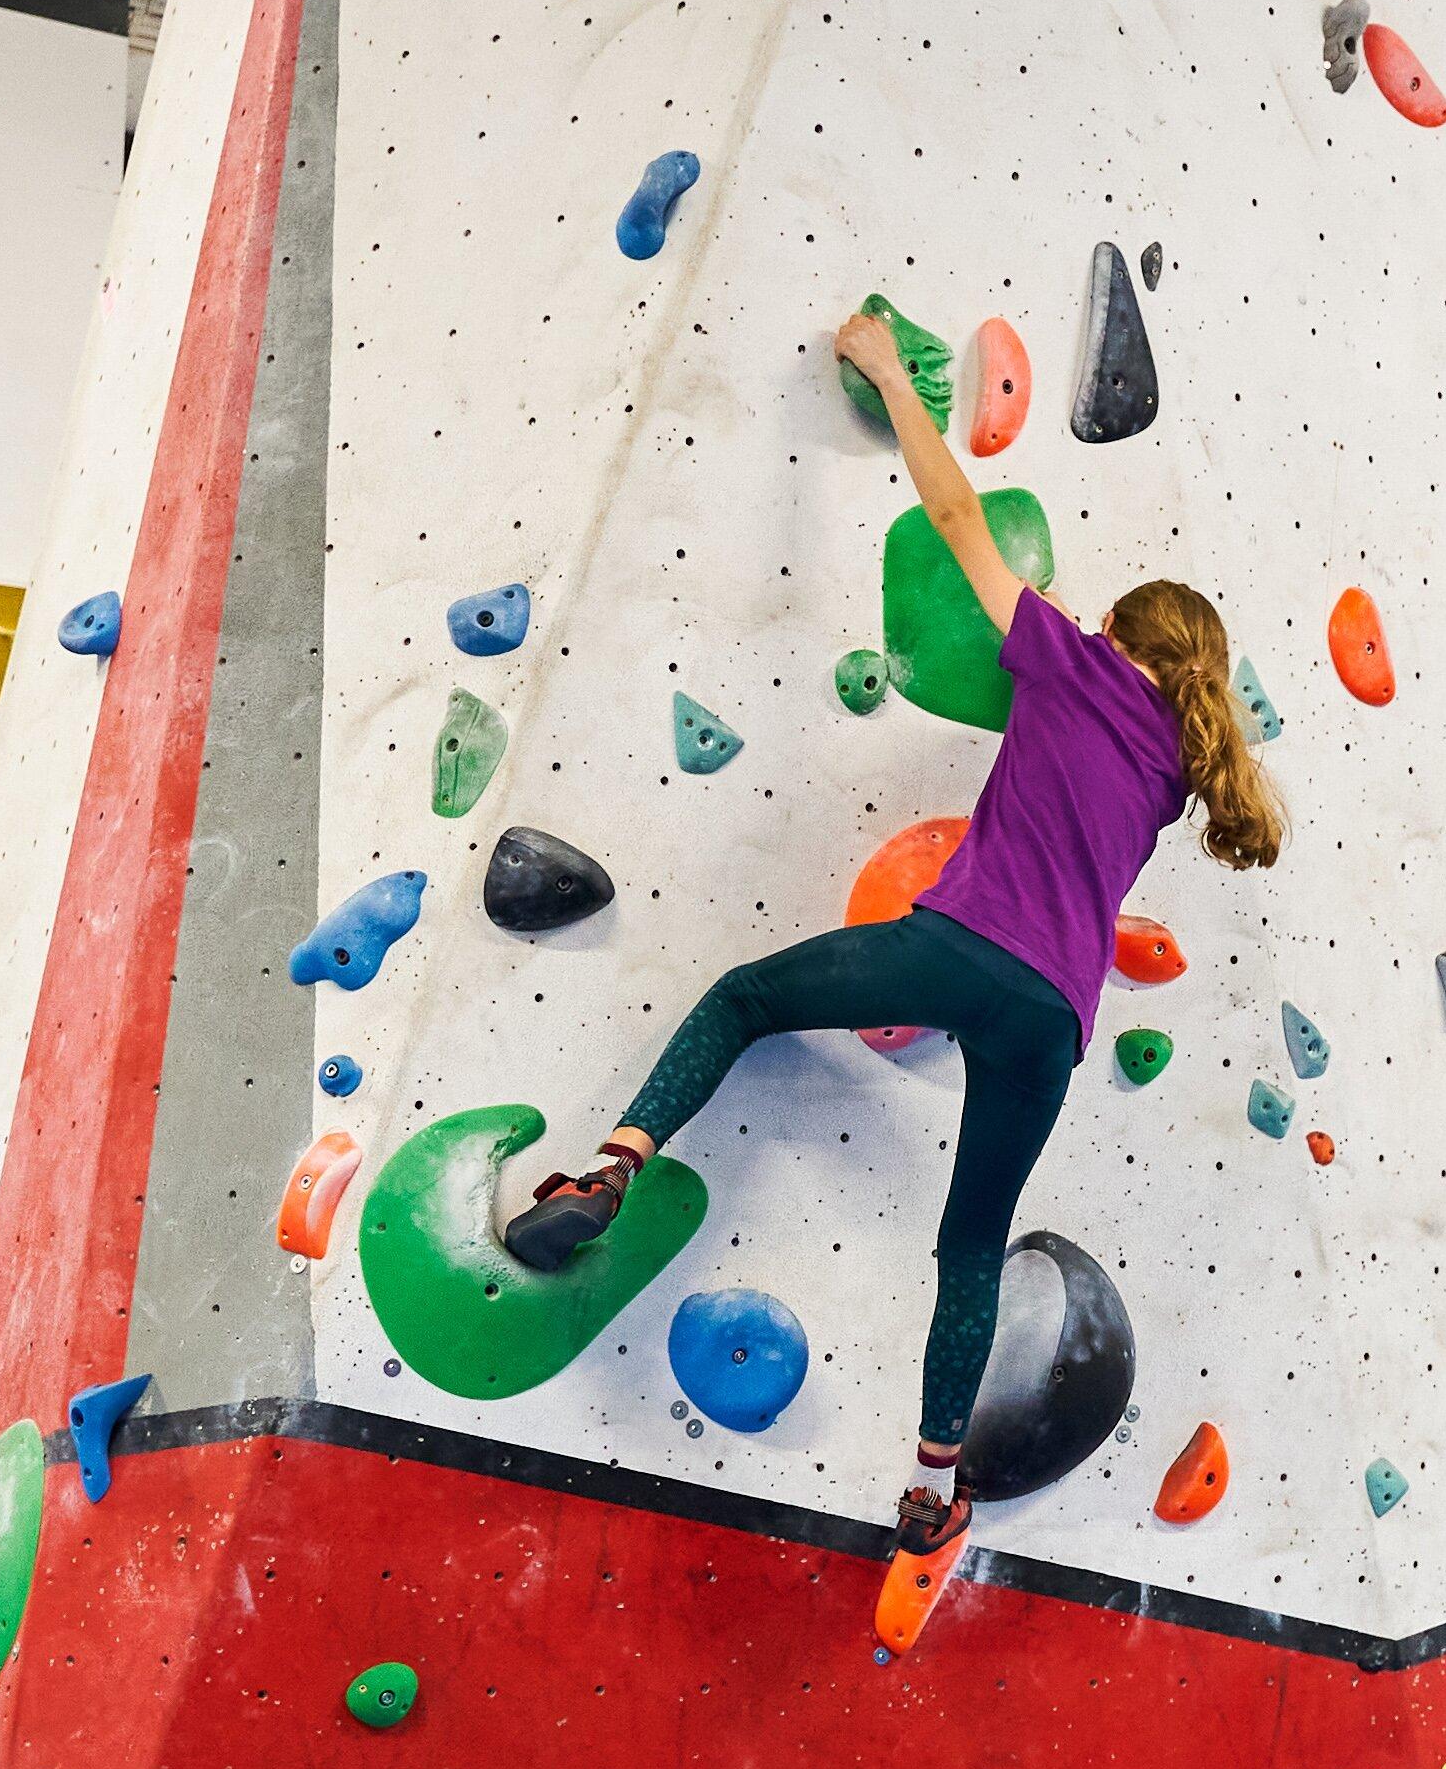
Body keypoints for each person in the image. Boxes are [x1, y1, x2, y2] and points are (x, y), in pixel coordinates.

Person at [506, 304, 1283, 1638]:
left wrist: (882, 378)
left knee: (746, 997)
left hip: (960, 946)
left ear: (1124, 636)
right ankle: (930, 1495)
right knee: (969, 1244)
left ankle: (617, 1164)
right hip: (1051, 1022)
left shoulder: (1069, 658)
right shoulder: (1174, 773)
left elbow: (959, 515)